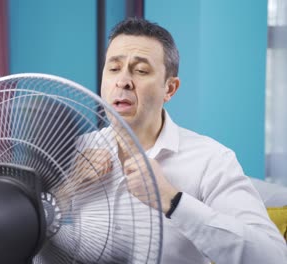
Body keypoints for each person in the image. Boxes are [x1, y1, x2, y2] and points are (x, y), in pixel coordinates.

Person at [67, 17, 287, 263]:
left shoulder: (211, 160)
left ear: (169, 89)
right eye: (114, 68)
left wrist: (173, 201)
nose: (123, 81)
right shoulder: (73, 152)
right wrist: (66, 190)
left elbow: (273, 257)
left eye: (140, 71)